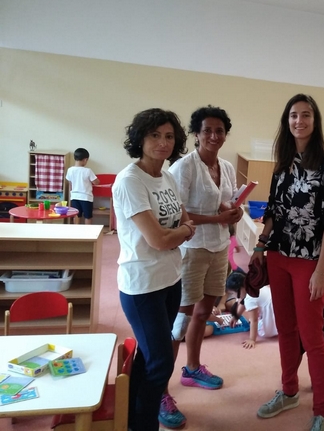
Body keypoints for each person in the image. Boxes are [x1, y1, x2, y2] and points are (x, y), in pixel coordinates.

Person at [251, 94, 324, 431]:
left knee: (312, 337)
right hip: (278, 255)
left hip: (308, 260)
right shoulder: (283, 162)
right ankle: (289, 391)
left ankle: (322, 410)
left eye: (305, 115)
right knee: (286, 330)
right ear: (286, 121)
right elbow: (273, 209)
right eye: (293, 115)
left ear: (315, 121)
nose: (299, 121)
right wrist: (260, 247)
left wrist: (321, 270)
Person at [112, 108, 195, 431]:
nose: (163, 142)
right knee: (160, 364)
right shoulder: (130, 181)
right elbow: (158, 239)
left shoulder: (167, 176)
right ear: (140, 139)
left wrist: (178, 232)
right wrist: (181, 232)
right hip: (142, 284)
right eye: (155, 135)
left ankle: (128, 418)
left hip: (170, 279)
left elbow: (184, 220)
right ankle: (143, 425)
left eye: (169, 136)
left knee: (149, 358)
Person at [162, 105, 243, 428]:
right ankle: (160, 390)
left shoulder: (227, 166)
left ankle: (192, 368)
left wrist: (233, 212)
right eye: (207, 130)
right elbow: (178, 213)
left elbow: (227, 203)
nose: (213, 136)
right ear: (196, 134)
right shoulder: (184, 167)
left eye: (219, 131)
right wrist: (218, 217)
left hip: (219, 248)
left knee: (203, 311)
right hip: (192, 249)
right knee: (180, 318)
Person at [224, 269, 278, 348]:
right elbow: (243, 302)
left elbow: (254, 320)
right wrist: (236, 316)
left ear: (240, 288)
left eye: (232, 293)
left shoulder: (250, 298)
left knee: (260, 329)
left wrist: (252, 339)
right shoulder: (253, 285)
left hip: (273, 320)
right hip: (278, 312)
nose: (234, 296)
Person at [65, 147, 100, 224]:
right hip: (86, 197)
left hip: (74, 196)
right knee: (88, 216)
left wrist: (71, 195)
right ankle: (87, 231)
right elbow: (96, 182)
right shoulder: (88, 171)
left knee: (76, 215)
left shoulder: (70, 170)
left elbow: (70, 184)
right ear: (85, 159)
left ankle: (76, 230)